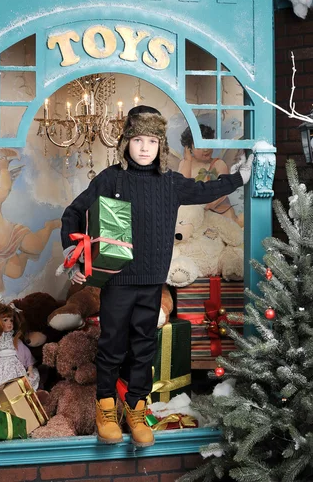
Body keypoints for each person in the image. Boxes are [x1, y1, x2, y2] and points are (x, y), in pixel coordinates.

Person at [60, 106, 253, 447]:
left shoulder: (171, 182)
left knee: (144, 347)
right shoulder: (110, 178)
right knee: (112, 344)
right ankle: (105, 407)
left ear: (161, 146)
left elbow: (205, 190)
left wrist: (238, 178)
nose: (145, 147)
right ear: (126, 143)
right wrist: (72, 255)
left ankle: (136, 408)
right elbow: (74, 212)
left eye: (152, 141)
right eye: (138, 140)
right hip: (118, 280)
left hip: (152, 280)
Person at [0, 156, 61, 294]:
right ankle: (25, 255)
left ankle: (49, 226)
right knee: (16, 273)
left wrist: (3, 169)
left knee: (37, 247)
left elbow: (4, 187)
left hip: (13, 234)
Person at [179, 124, 241, 225]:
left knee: (229, 226)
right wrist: (187, 160)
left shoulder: (218, 164)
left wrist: (208, 206)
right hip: (195, 211)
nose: (206, 149)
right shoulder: (185, 163)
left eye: (208, 144)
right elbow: (182, 187)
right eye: (200, 146)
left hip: (218, 209)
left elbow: (223, 191)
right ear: (189, 148)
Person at [0, 300, 40, 390]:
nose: (10, 323)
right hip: (0, 368)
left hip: (15, 366)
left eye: (11, 320)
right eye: (5, 320)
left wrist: (30, 369)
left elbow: (26, 354)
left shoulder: (15, 340)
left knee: (19, 385)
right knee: (2, 386)